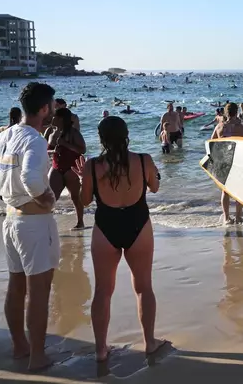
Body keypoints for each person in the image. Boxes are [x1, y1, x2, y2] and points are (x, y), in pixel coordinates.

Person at [0, 82, 59, 371]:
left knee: (16, 286)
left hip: (11, 219)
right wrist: (47, 198)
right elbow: (33, 179)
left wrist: (1, 190)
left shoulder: (5, 135)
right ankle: (37, 356)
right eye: (52, 106)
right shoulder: (34, 139)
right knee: (39, 290)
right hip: (33, 222)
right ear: (44, 108)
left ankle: (20, 346)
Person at [70, 116, 168, 362]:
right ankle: (150, 343)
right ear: (127, 135)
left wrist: (84, 179)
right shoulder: (143, 160)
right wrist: (155, 174)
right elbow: (155, 187)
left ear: (102, 139)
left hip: (105, 228)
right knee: (144, 287)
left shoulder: (92, 165)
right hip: (138, 225)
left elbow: (84, 201)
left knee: (102, 291)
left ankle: (101, 349)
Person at [44, 108, 87, 229]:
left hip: (72, 167)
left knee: (75, 196)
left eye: (54, 116)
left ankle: (80, 222)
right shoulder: (51, 132)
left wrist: (65, 143)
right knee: (51, 196)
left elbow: (83, 150)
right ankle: (46, 221)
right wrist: (53, 150)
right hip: (56, 166)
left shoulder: (73, 133)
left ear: (61, 119)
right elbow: (46, 150)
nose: (51, 118)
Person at [211, 103, 243, 224]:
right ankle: (238, 217)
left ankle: (226, 218)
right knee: (240, 190)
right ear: (236, 112)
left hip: (223, 161)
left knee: (225, 191)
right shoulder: (242, 127)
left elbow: (211, 143)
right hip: (238, 161)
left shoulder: (219, 127)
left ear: (226, 113)